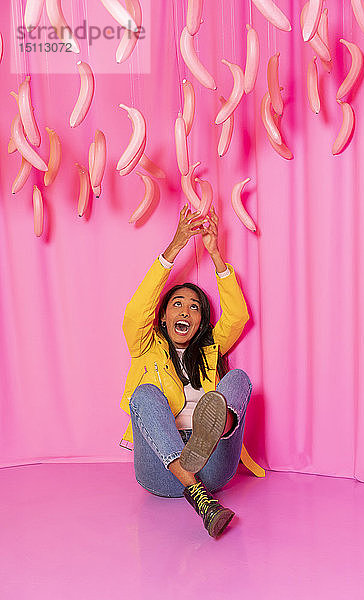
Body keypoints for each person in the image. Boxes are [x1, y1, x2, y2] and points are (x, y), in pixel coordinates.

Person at [120, 204, 257, 538]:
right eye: (177, 304)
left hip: (212, 463)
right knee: (145, 394)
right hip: (160, 466)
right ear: (163, 316)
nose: (185, 310)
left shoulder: (211, 348)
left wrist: (216, 255)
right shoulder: (145, 345)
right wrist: (176, 245)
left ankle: (216, 426)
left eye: (194, 307)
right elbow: (136, 313)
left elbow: (237, 316)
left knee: (237, 378)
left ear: (201, 322)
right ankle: (199, 498)